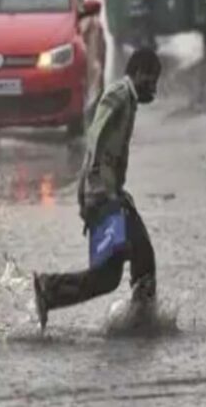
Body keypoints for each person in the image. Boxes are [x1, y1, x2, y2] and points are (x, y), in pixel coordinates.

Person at [32, 48, 161, 331]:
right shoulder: (118, 94)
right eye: (152, 81)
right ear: (139, 73)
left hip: (109, 194)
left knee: (107, 278)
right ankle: (144, 318)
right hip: (104, 197)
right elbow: (96, 138)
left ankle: (49, 290)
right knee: (144, 253)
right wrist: (94, 190)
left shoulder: (129, 100)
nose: (154, 89)